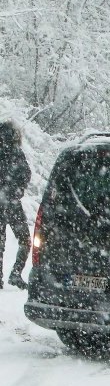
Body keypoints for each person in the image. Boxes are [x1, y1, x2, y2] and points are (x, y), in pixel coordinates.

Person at [0, 120, 32, 289]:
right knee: (25, 240)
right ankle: (16, 273)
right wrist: (18, 190)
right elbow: (26, 174)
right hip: (12, 204)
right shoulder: (16, 152)